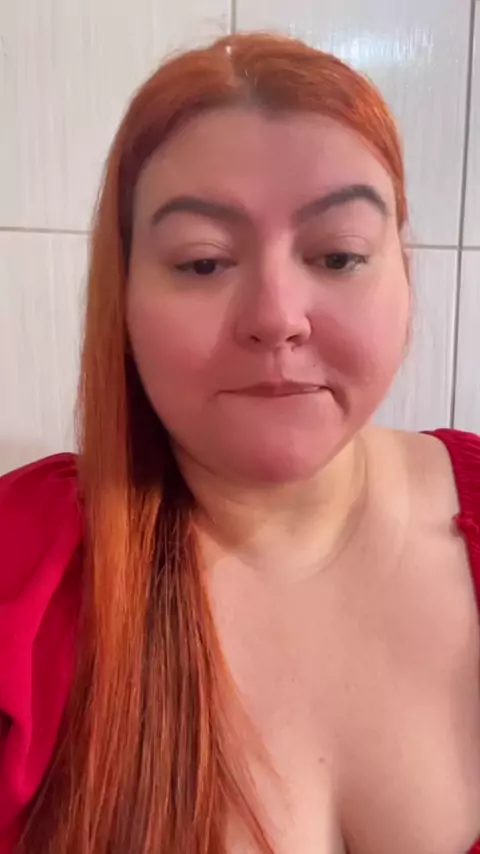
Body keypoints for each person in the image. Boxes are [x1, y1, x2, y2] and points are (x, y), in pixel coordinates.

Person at [0, 31, 479, 854]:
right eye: (202, 263)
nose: (276, 317)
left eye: (339, 255)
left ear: (404, 273)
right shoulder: (22, 566)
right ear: (124, 297)